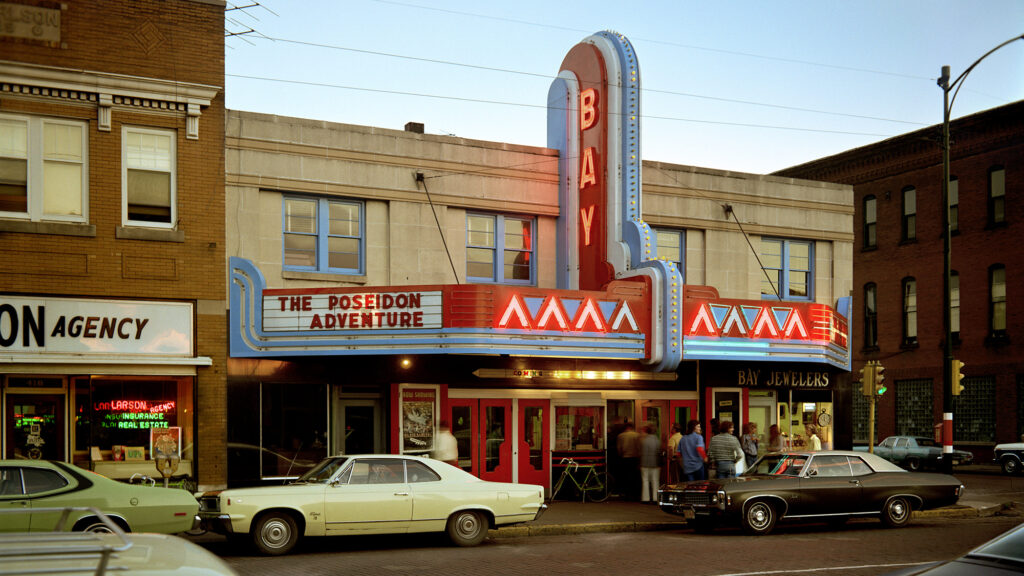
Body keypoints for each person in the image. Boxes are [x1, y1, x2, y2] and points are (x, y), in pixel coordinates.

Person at [616, 421, 640, 500]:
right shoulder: (637, 435)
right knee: (634, 476)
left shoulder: (621, 436)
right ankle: (634, 493)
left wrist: (620, 455)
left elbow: (619, 448)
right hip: (634, 458)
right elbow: (639, 447)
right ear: (631, 427)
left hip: (625, 458)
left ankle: (627, 493)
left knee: (626, 476)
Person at [639, 425, 660, 503]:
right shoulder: (657, 440)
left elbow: (641, 452)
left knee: (645, 481)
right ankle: (655, 498)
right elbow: (658, 452)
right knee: (655, 481)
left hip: (644, 463)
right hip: (655, 463)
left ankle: (645, 498)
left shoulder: (644, 440)